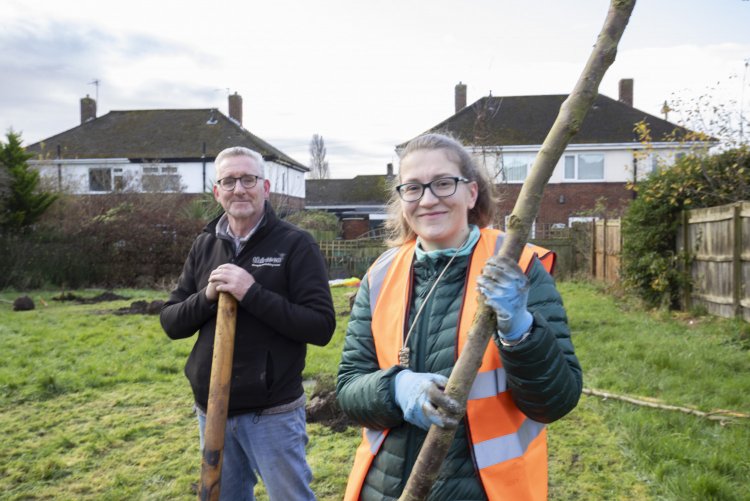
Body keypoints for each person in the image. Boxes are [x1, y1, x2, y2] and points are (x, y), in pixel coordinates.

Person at [336, 133, 582, 500]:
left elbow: (556, 399)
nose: (429, 199)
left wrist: (520, 331)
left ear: (472, 193)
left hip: (486, 490)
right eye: (413, 188)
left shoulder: (517, 265)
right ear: (402, 199)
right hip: (387, 490)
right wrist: (395, 390)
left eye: (443, 183)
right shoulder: (381, 274)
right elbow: (349, 388)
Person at [160, 146, 335, 501]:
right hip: (211, 408)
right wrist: (206, 297)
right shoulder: (205, 244)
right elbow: (171, 322)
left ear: (265, 187)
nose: (239, 188)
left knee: (290, 497)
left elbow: (320, 326)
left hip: (271, 411)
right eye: (229, 181)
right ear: (217, 191)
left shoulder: (295, 245)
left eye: (248, 179)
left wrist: (251, 292)